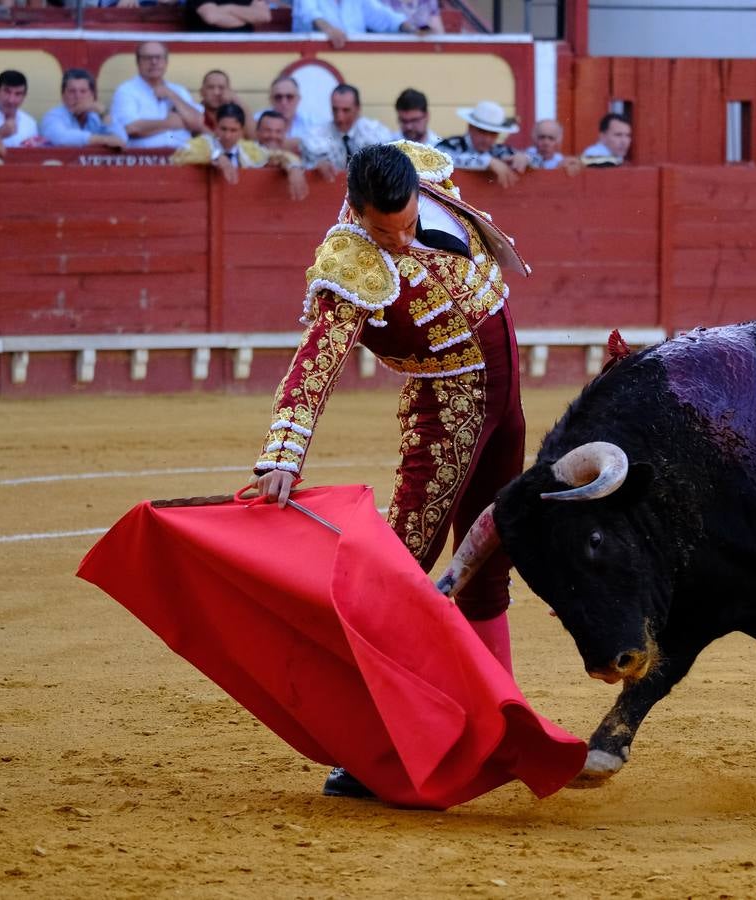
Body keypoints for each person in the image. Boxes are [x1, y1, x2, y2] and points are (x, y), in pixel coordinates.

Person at [251, 141, 530, 798]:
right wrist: (284, 454)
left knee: (490, 556)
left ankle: (503, 723)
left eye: (406, 225)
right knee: (402, 572)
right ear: (356, 210)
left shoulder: (423, 175)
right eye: (385, 231)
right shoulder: (349, 262)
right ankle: (373, 749)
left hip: (503, 398)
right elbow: (314, 365)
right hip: (450, 411)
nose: (400, 241)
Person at [173, 104, 309, 201]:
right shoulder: (201, 144)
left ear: (242, 131)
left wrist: (293, 167)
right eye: (223, 129)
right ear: (215, 127)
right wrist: (215, 156)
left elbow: (278, 156)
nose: (227, 135)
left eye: (233, 130)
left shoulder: (248, 150)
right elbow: (179, 156)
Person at [110, 41, 204, 149]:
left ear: (166, 62)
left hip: (183, 157)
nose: (154, 62)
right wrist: (171, 123)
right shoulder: (126, 91)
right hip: (145, 159)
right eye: (147, 58)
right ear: (138, 62)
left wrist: (172, 96)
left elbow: (198, 123)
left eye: (159, 57)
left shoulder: (178, 90)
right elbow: (131, 128)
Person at [300, 83, 394, 177]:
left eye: (346, 110)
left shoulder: (377, 133)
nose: (339, 118)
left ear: (358, 109)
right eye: (335, 110)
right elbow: (305, 166)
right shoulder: (316, 136)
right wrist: (316, 165)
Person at [436, 100, 529, 187]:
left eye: (493, 133)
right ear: (470, 127)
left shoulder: (500, 151)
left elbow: (537, 159)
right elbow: (441, 160)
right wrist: (488, 161)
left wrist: (524, 158)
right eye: (482, 131)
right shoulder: (451, 145)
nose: (487, 139)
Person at [41, 69, 127, 149]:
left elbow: (122, 140)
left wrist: (103, 113)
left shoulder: (97, 116)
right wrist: (104, 139)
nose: (77, 97)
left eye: (83, 91)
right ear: (63, 96)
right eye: (72, 91)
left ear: (92, 95)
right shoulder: (53, 116)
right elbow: (60, 138)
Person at [292, 0, 411, 49]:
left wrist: (411, 29)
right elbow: (309, 14)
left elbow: (386, 18)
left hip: (357, 61)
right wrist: (328, 29)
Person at [254, 76, 319, 156]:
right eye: (278, 97)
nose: (284, 102)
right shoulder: (258, 119)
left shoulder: (312, 123)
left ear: (298, 99)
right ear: (271, 100)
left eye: (289, 97)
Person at [183, 0, 272, 32]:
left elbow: (264, 16)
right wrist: (247, 17)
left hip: (245, 50)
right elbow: (211, 17)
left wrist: (230, 9)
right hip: (207, 51)